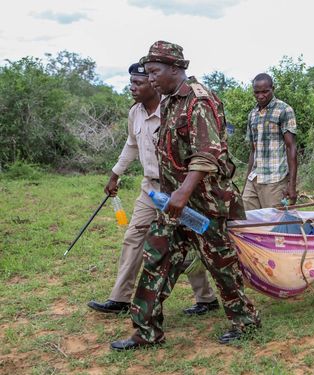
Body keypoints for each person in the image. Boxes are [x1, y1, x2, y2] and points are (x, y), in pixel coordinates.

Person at [110, 41, 259, 350]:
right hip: (174, 204)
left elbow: (207, 155)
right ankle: (146, 331)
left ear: (175, 69)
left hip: (206, 204)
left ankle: (244, 320)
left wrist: (182, 192)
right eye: (148, 73)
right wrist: (169, 196)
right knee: (156, 258)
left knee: (222, 266)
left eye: (154, 72)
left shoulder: (199, 101)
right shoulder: (168, 103)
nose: (150, 79)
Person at [87, 63, 219, 317]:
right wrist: (115, 174)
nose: (132, 88)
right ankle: (120, 298)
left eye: (138, 83)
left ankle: (206, 299)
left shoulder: (173, 109)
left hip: (179, 189)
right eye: (131, 83)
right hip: (149, 189)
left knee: (189, 242)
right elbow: (131, 145)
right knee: (133, 237)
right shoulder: (134, 113)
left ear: (152, 82)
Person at [243, 73, 298, 209]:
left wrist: (291, 185)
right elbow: (253, 150)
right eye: (257, 92)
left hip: (275, 179)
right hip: (254, 178)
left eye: (265, 91)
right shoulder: (252, 114)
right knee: (247, 219)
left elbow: (291, 148)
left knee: (273, 223)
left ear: (272, 88)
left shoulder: (284, 110)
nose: (260, 96)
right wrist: (246, 182)